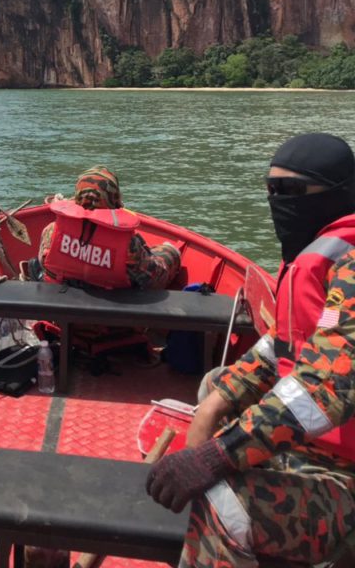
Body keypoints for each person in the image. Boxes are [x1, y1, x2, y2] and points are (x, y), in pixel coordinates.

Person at [146, 132, 355, 568]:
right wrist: (212, 407)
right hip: (310, 448)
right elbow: (278, 346)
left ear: (339, 192)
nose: (277, 200)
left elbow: (329, 386)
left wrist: (216, 455)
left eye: (290, 190)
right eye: (271, 189)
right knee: (214, 385)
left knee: (225, 503)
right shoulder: (313, 255)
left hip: (343, 474)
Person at [36, 166, 181, 290]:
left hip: (61, 301)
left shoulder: (52, 231)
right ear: (114, 199)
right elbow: (152, 279)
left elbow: (45, 264)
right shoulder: (129, 245)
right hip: (112, 307)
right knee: (171, 252)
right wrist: (170, 253)